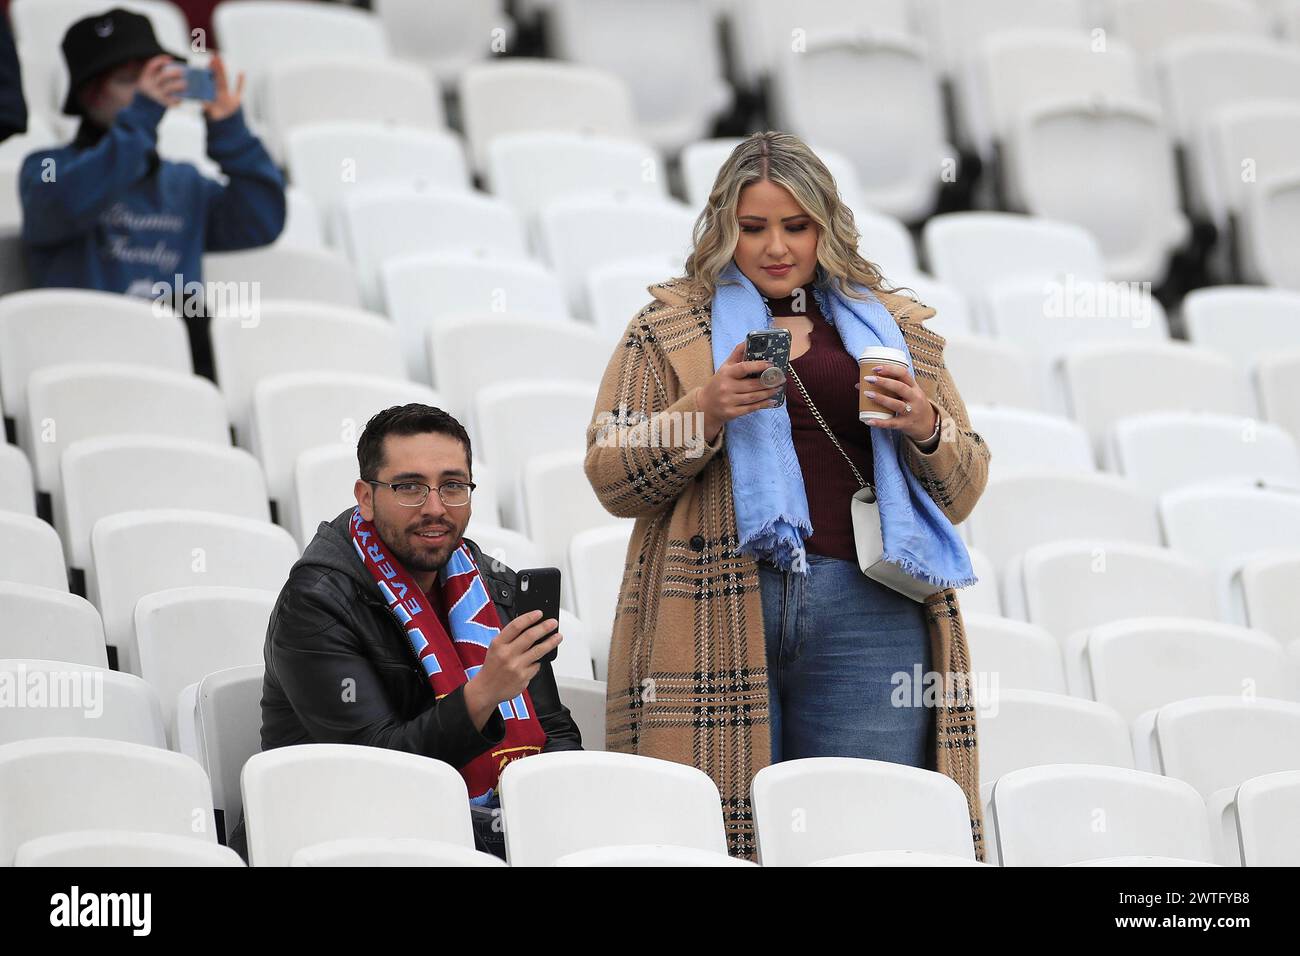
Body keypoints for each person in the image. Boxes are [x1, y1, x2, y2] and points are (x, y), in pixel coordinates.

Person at [584, 131, 991, 861]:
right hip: (717, 600)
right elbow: (611, 475)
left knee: (864, 838)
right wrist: (705, 408)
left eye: (796, 226)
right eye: (753, 227)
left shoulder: (893, 328)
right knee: (721, 843)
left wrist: (925, 425)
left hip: (871, 607)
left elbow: (964, 489)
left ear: (826, 227)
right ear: (721, 228)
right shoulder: (670, 325)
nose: (776, 246)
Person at [241, 404, 582, 861]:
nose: (436, 508)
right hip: (345, 839)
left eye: (452, 485)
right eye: (409, 487)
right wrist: (481, 696)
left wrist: (543, 814)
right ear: (366, 497)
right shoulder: (317, 603)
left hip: (483, 834)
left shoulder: (489, 583)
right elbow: (382, 769)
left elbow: (553, 728)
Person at [18, 8, 284, 376]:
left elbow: (262, 221)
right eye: (130, 80)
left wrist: (230, 130)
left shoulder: (185, 183)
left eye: (157, 77)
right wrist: (140, 116)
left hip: (174, 367)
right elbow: (63, 204)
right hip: (86, 366)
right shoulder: (46, 169)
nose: (149, 93)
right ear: (90, 94)